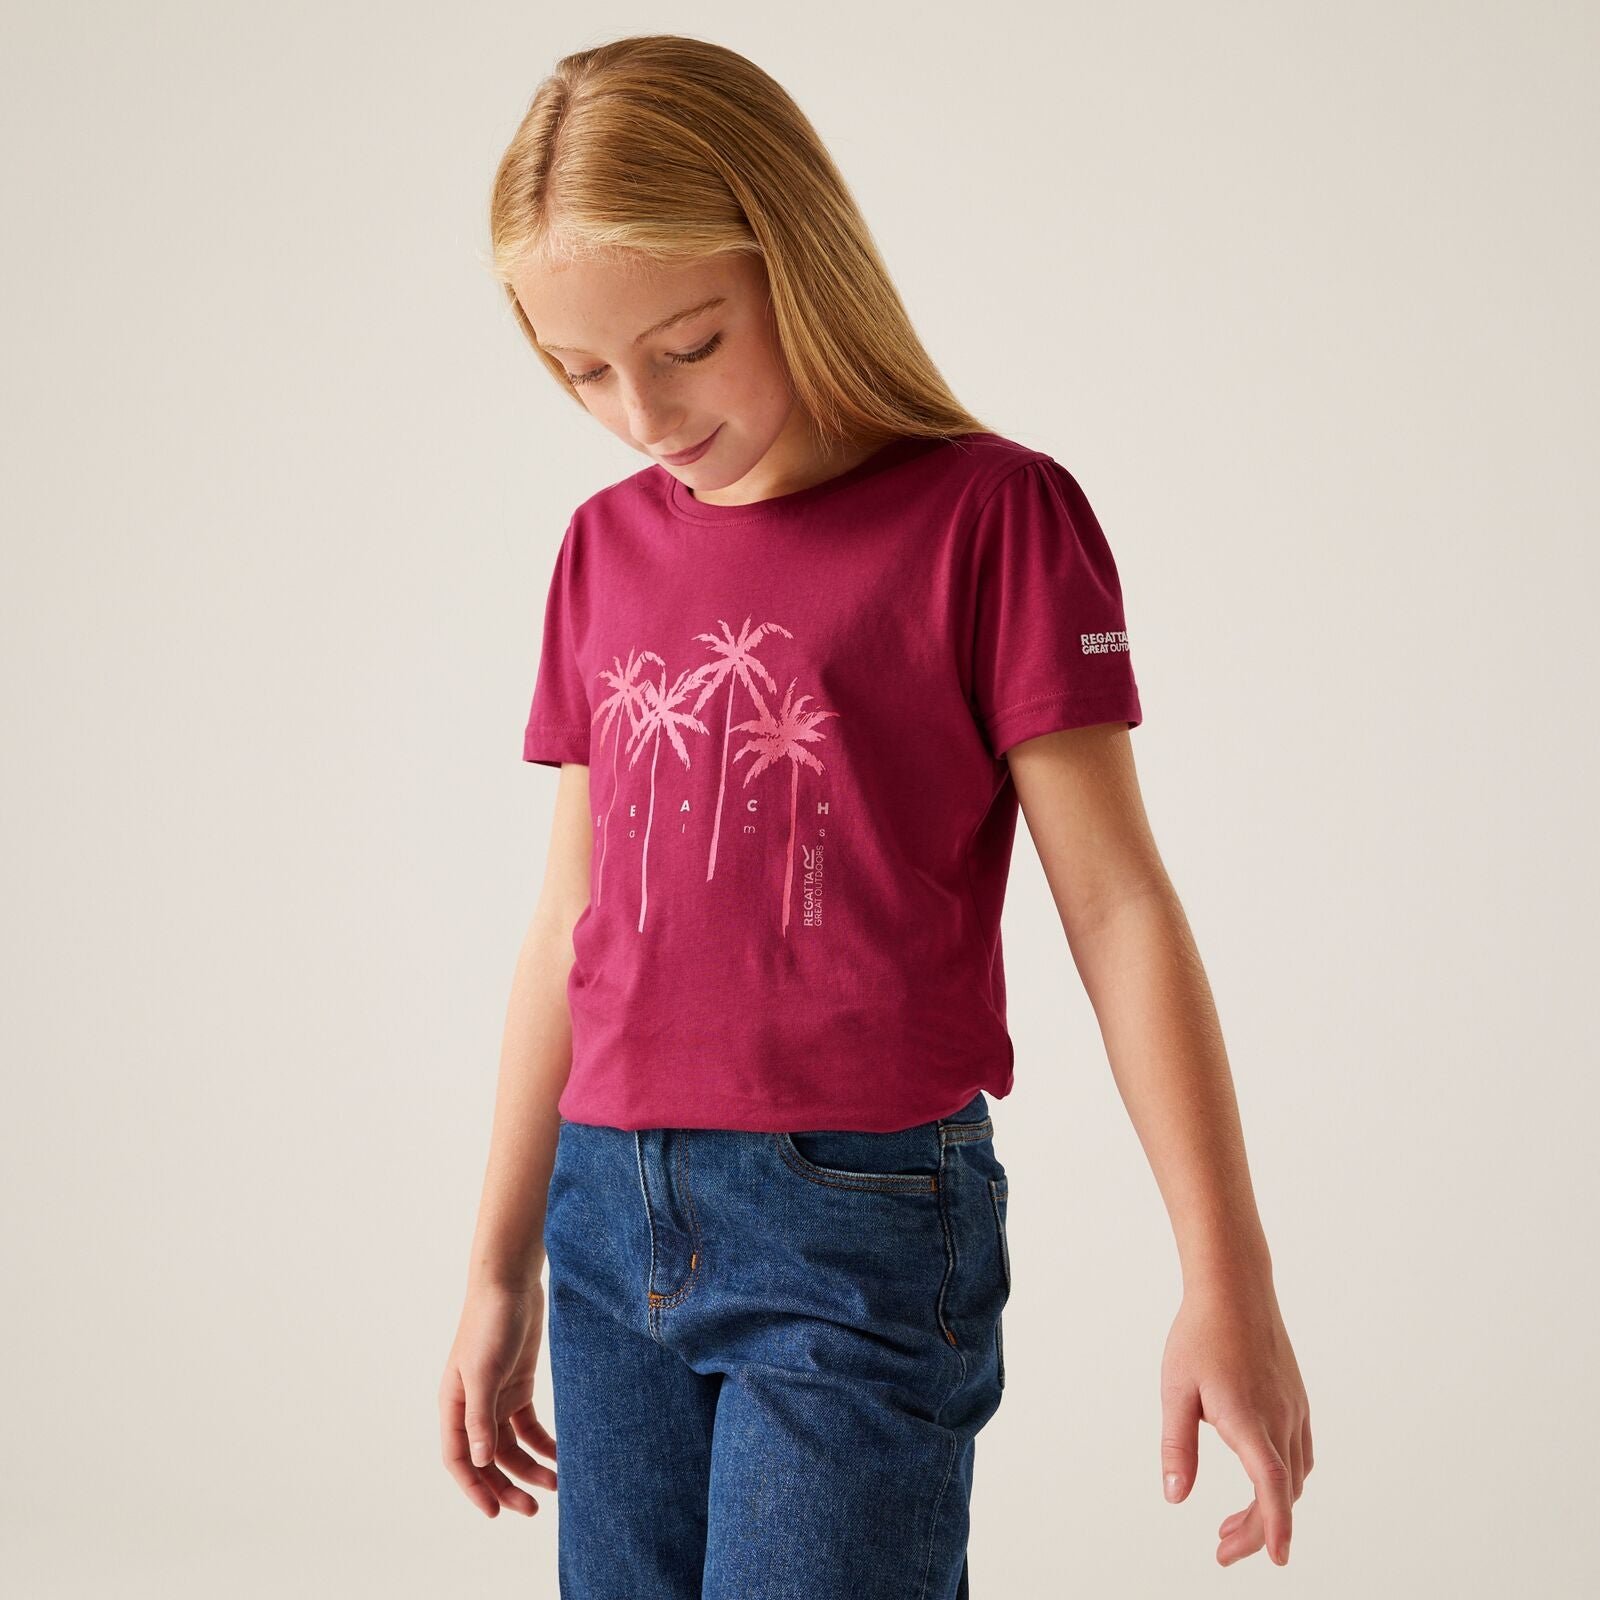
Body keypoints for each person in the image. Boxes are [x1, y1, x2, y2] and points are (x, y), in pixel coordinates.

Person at [438, 32, 1312, 1597]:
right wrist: (498, 1262)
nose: (641, 413)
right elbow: (570, 920)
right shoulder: (601, 550)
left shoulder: (994, 517)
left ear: (796, 259)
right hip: (605, 1214)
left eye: (689, 343)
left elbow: (1117, 906)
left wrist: (1224, 1271)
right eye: (583, 371)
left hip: (852, 1222)